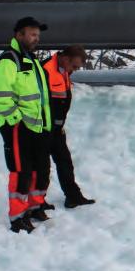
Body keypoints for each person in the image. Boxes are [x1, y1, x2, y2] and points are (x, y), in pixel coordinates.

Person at [0, 17, 54, 233]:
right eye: (32, 34)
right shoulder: (8, 60)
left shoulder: (32, 60)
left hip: (37, 127)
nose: (36, 38)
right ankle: (17, 217)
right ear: (19, 35)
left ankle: (33, 207)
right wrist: (16, 121)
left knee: (40, 170)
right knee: (21, 172)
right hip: (18, 127)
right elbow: (0, 96)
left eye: (38, 35)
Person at [43, 46, 95, 208]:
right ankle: (36, 203)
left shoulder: (63, 70)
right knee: (42, 167)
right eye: (74, 66)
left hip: (57, 129)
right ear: (65, 58)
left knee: (65, 162)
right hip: (43, 128)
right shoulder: (45, 70)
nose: (75, 70)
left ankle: (73, 196)